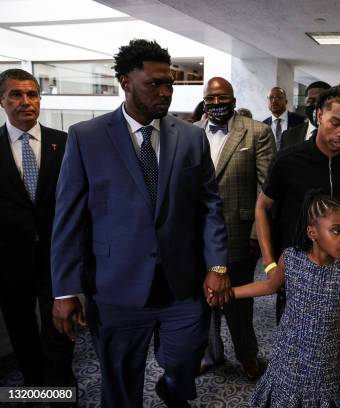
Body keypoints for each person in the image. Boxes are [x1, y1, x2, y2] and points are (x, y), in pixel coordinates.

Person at [50, 39, 231, 408]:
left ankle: (171, 386)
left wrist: (218, 264)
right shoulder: (86, 137)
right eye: (154, 84)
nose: (165, 91)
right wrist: (65, 290)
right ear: (125, 82)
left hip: (181, 285)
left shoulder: (191, 138)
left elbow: (210, 207)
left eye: (170, 83)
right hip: (116, 289)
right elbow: (69, 218)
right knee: (120, 386)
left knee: (184, 366)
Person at [256, 83, 340, 323]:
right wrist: (269, 265)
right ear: (319, 115)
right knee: (291, 340)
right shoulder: (287, 160)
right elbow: (262, 208)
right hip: (295, 271)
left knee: (334, 342)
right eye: (335, 123)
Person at [234, 193, 340, 407]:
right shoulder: (291, 259)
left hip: (325, 367)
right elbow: (269, 285)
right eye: (336, 230)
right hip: (288, 360)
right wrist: (231, 292)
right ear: (312, 232)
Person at [194, 76, 275, 380]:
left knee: (238, 305)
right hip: (198, 236)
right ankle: (210, 353)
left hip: (239, 235)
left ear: (233, 98)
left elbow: (266, 189)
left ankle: (247, 356)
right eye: (211, 98)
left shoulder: (257, 132)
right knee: (204, 301)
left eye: (222, 97)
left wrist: (258, 233)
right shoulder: (192, 132)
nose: (216, 103)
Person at [0, 69, 75, 392]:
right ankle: (33, 385)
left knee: (61, 330)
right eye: (16, 94)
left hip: (57, 259)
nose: (25, 102)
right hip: (9, 261)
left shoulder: (67, 144)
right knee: (21, 330)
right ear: (2, 100)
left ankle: (61, 388)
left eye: (32, 94)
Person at [279, 80, 330, 149]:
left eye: (321, 102)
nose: (316, 105)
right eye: (311, 101)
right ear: (305, 103)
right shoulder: (288, 136)